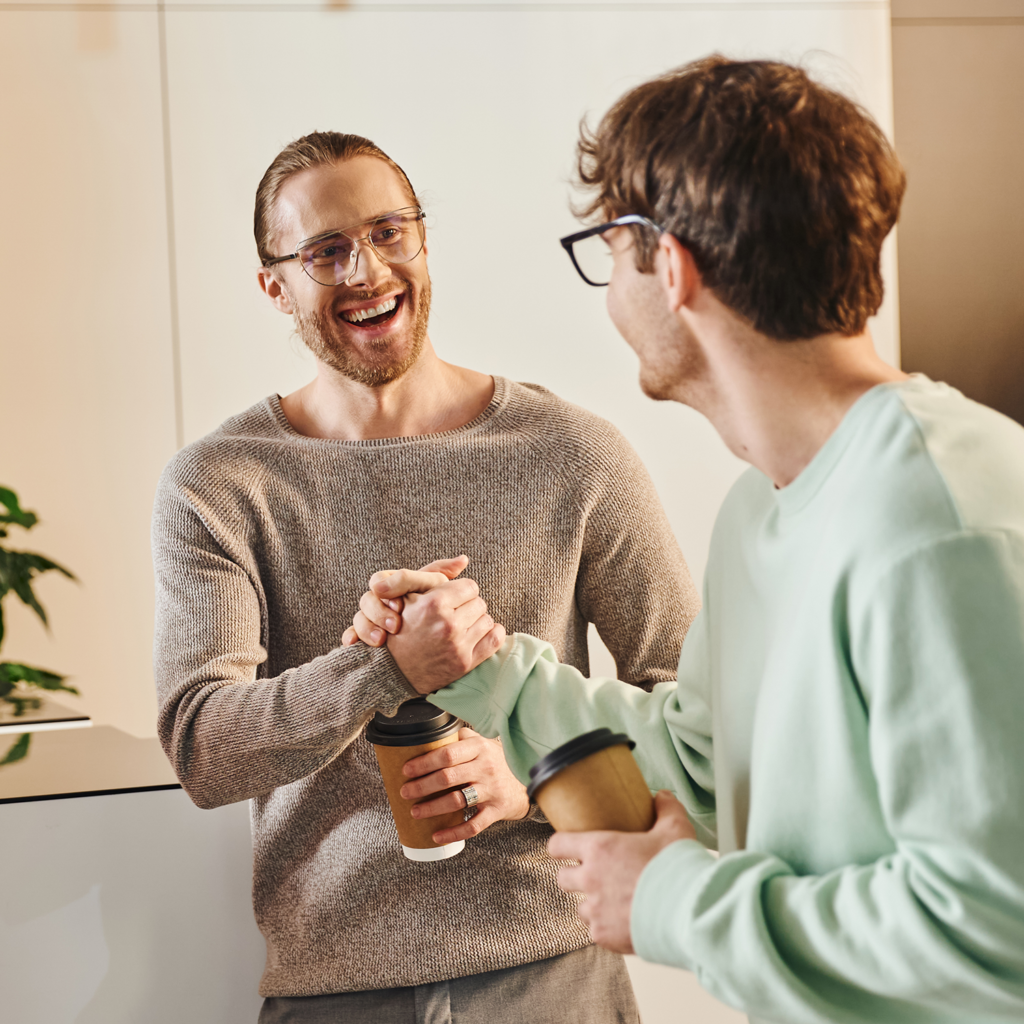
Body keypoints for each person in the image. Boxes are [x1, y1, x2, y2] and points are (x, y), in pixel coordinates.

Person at [346, 57, 1024, 1023]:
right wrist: (476, 669)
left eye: (608, 251)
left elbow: (993, 932)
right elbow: (702, 761)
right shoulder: (766, 508)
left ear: (670, 267)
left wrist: (670, 901)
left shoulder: (942, 525)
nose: (608, 292)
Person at [151, 131, 700, 1022]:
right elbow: (205, 750)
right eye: (326, 252)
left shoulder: (572, 454)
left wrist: (530, 782)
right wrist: (385, 668)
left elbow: (689, 708)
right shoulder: (219, 484)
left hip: (553, 975)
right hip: (334, 989)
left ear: (423, 242)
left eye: (388, 232)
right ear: (276, 287)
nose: (366, 270)